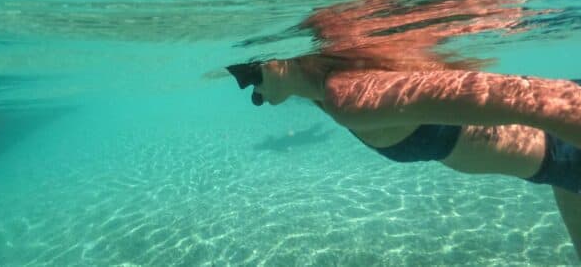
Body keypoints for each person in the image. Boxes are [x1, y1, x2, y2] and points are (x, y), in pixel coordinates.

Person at [227, 55, 581, 259]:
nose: (250, 91)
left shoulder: (349, 96)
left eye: (245, 76)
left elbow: (533, 99)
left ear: (267, 62)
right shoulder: (327, 75)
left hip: (565, 149)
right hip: (557, 165)